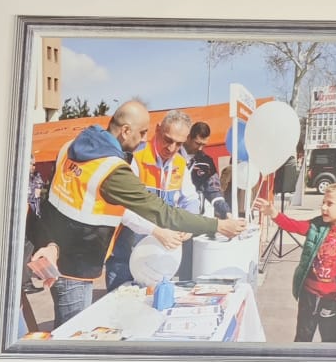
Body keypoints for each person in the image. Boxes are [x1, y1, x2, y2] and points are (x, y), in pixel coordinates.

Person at [28, 100, 243, 328]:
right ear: (125, 130)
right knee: (73, 336)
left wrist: (51, 246)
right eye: (142, 133)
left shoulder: (70, 146)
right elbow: (162, 212)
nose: (143, 139)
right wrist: (217, 225)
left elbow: (52, 201)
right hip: (78, 266)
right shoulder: (114, 169)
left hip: (57, 255)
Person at [102, 109, 195, 293]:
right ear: (158, 129)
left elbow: (190, 198)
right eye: (168, 140)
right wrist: (157, 231)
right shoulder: (134, 157)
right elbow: (123, 208)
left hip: (159, 261)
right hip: (125, 259)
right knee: (120, 309)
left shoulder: (179, 163)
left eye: (179, 144)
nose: (171, 148)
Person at [258, 183, 336, 343]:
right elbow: (293, 225)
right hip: (309, 294)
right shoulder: (316, 226)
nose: (323, 207)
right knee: (303, 337)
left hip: (333, 299)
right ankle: (299, 359)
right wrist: (274, 213)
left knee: (330, 341)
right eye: (323, 202)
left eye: (329, 204)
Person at [185, 121, 230, 218]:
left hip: (197, 216)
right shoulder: (173, 155)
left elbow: (213, 190)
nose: (200, 148)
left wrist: (226, 212)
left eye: (203, 144)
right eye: (197, 143)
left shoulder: (207, 162)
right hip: (174, 215)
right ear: (188, 138)